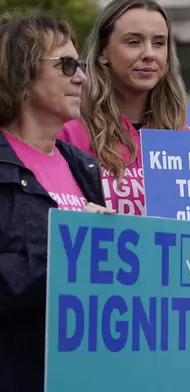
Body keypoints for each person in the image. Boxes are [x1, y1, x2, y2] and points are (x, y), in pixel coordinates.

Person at [0, 13, 113, 392]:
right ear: (22, 74)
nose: (81, 77)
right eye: (65, 65)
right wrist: (68, 247)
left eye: (79, 65)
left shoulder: (83, 167)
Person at [58, 0, 187, 216]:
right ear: (103, 53)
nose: (149, 54)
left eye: (158, 43)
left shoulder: (188, 141)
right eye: (134, 42)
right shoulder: (67, 134)